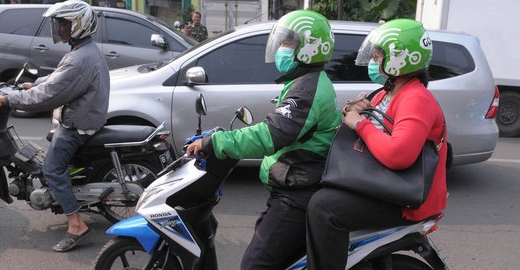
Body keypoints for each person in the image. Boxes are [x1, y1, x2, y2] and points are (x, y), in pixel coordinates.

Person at [185, 10, 341, 270]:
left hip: (296, 194)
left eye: (288, 43)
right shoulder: (306, 81)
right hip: (293, 185)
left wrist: (216, 142)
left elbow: (271, 134)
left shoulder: (307, 88)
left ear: (310, 48)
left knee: (254, 265)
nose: (281, 49)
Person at [305, 18, 448, 269]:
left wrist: (360, 124)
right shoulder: (388, 91)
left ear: (401, 58)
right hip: (386, 183)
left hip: (406, 199)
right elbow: (370, 123)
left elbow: (398, 154)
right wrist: (356, 111)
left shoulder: (416, 98)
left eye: (379, 55)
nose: (373, 60)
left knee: (324, 209)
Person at [0, 0, 110, 252]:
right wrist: (34, 83)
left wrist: (9, 99)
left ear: (78, 25)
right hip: (85, 117)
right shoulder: (84, 51)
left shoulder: (79, 58)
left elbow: (50, 95)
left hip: (77, 124)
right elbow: (60, 79)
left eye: (63, 24)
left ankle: (77, 225)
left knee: (52, 169)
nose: (59, 29)